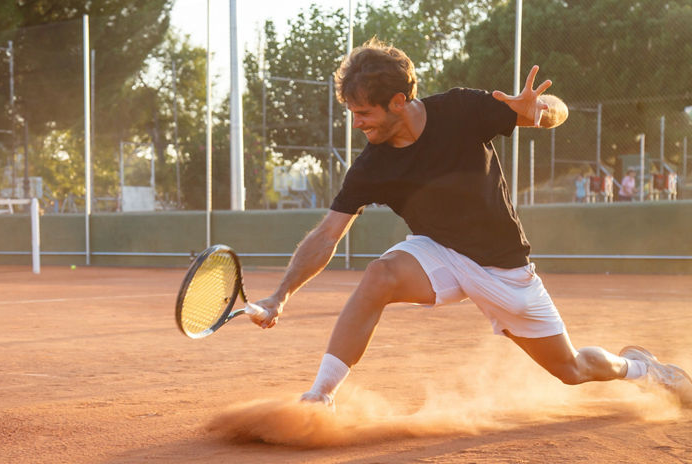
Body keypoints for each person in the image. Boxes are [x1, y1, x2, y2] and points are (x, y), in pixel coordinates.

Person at [249, 38, 692, 410]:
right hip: (437, 251)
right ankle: (320, 398)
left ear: (399, 102)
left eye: (363, 113)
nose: (357, 122)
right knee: (379, 276)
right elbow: (328, 233)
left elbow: (554, 112)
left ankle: (641, 368)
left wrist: (539, 109)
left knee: (572, 369)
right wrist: (279, 295)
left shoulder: (461, 109)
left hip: (504, 268)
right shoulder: (371, 166)